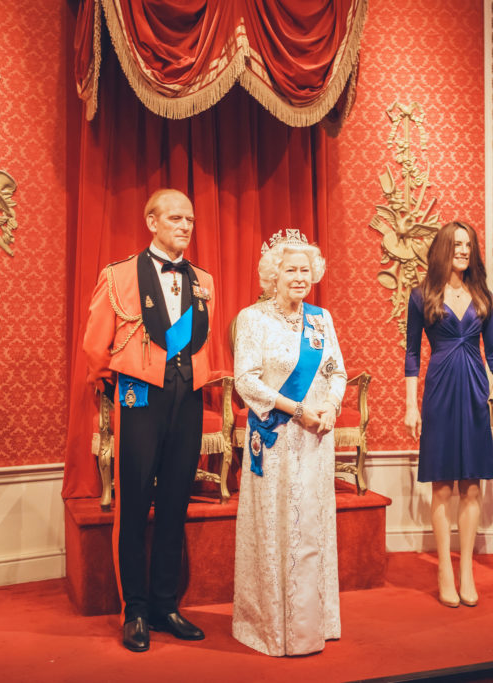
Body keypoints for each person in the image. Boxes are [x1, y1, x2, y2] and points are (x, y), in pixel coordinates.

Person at [83, 189, 215, 653]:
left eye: (190, 219)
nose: (184, 225)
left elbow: (199, 342)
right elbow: (95, 346)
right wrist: (114, 386)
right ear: (151, 222)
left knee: (175, 504)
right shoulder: (119, 276)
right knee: (135, 505)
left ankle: (165, 604)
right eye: (175, 218)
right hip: (140, 397)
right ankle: (135, 609)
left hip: (189, 399)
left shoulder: (204, 280)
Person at [232, 230, 346, 656]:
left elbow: (337, 371)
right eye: (290, 269)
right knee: (278, 526)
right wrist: (296, 410)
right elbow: (246, 379)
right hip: (277, 437)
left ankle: (314, 623)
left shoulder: (321, 319)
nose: (299, 277)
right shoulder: (252, 319)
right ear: (272, 274)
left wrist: (332, 407)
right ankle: (271, 626)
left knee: (312, 527)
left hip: (317, 436)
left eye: (305, 270)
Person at [403, 222, 493, 608]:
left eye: (469, 245)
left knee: (471, 484)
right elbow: (412, 354)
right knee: (442, 485)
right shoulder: (422, 295)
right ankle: (444, 570)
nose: (464, 250)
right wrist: (409, 405)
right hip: (439, 390)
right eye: (457, 244)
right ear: (443, 249)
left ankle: (466, 568)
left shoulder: (482, 294)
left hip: (474, 392)